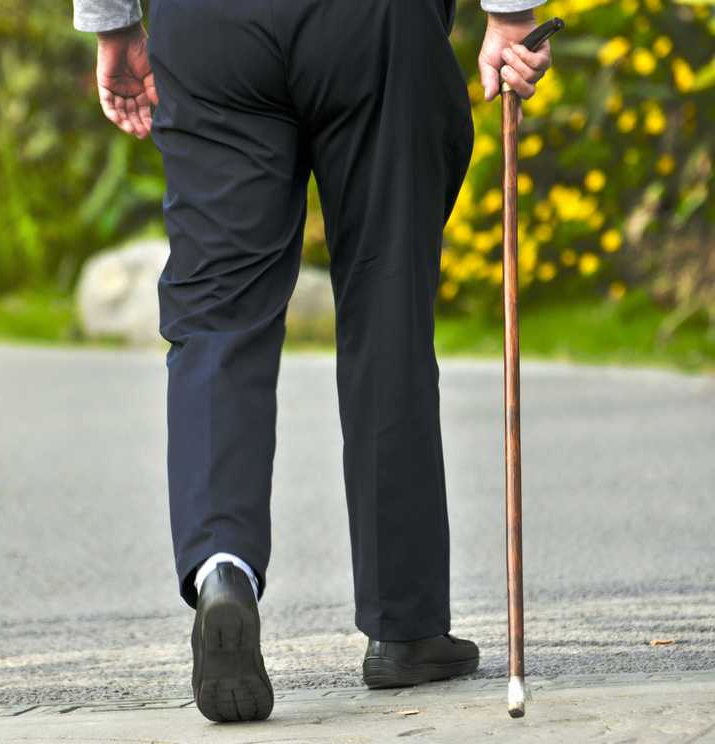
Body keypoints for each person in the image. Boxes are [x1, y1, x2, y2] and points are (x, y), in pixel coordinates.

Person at [74, 0, 553, 723]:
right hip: (375, 27)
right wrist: (511, 13)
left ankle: (222, 569)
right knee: (387, 306)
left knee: (216, 319)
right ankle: (406, 626)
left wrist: (110, 22)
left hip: (210, 32)